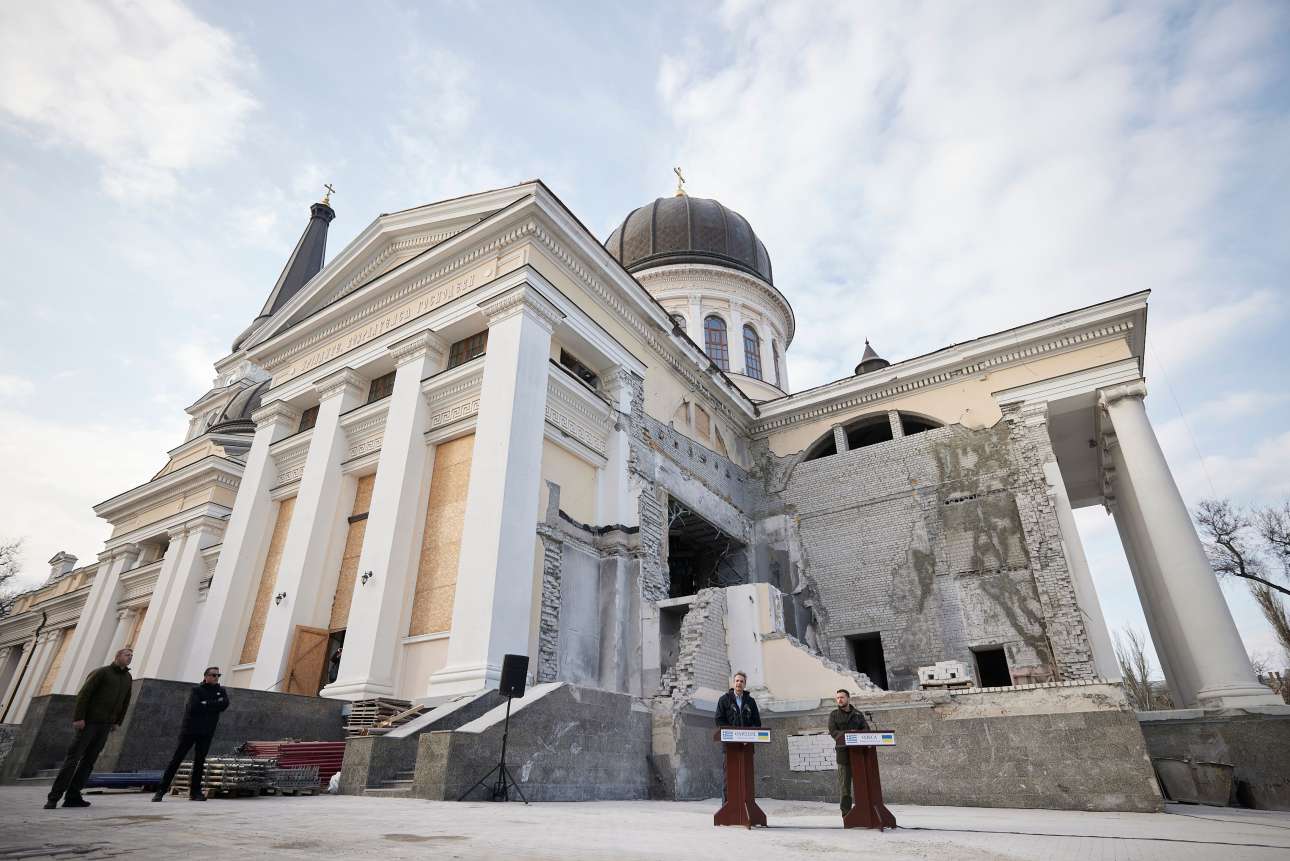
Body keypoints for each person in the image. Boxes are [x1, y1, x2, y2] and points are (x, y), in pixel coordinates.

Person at [45, 648, 134, 809]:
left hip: (106, 725)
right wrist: (79, 717)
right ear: (117, 656)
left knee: (89, 761)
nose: (130, 658)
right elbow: (84, 694)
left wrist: (117, 721)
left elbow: (126, 701)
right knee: (73, 759)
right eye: (127, 655)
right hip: (89, 722)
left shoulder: (127, 678)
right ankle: (54, 797)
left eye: (131, 656)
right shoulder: (102, 672)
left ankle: (73, 796)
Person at [152, 666, 231, 801]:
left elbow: (224, 704)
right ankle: (161, 790)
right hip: (190, 730)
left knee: (200, 761)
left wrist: (206, 703)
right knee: (177, 759)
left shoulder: (221, 691)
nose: (216, 678)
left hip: (207, 731)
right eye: (213, 675)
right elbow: (194, 707)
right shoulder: (197, 690)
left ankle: (195, 792)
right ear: (206, 676)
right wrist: (214, 704)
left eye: (218, 675)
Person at [828, 688, 870, 815]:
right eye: (838, 698)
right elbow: (833, 731)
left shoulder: (858, 714)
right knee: (845, 787)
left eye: (842, 697)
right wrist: (847, 735)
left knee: (862, 785)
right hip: (843, 755)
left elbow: (866, 729)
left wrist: (857, 734)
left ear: (848, 698)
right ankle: (846, 814)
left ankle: (863, 811)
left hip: (858, 754)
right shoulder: (834, 715)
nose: (839, 700)